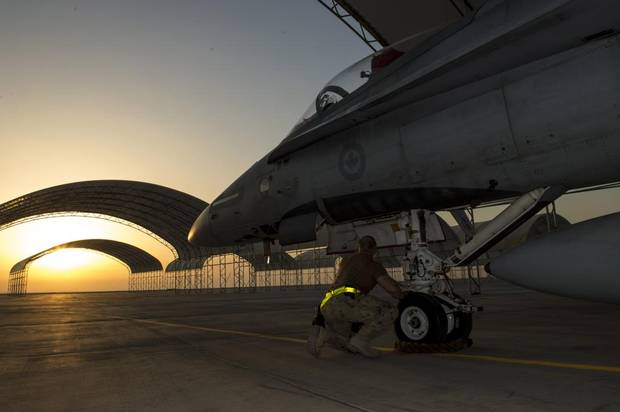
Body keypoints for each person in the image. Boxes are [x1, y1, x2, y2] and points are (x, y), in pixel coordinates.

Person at [307, 235, 404, 358]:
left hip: (327, 306)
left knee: (350, 346)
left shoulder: (346, 262)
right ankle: (362, 340)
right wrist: (403, 295)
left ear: (359, 248)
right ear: (374, 249)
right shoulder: (372, 264)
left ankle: (328, 335)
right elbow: (392, 288)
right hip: (346, 303)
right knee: (389, 310)